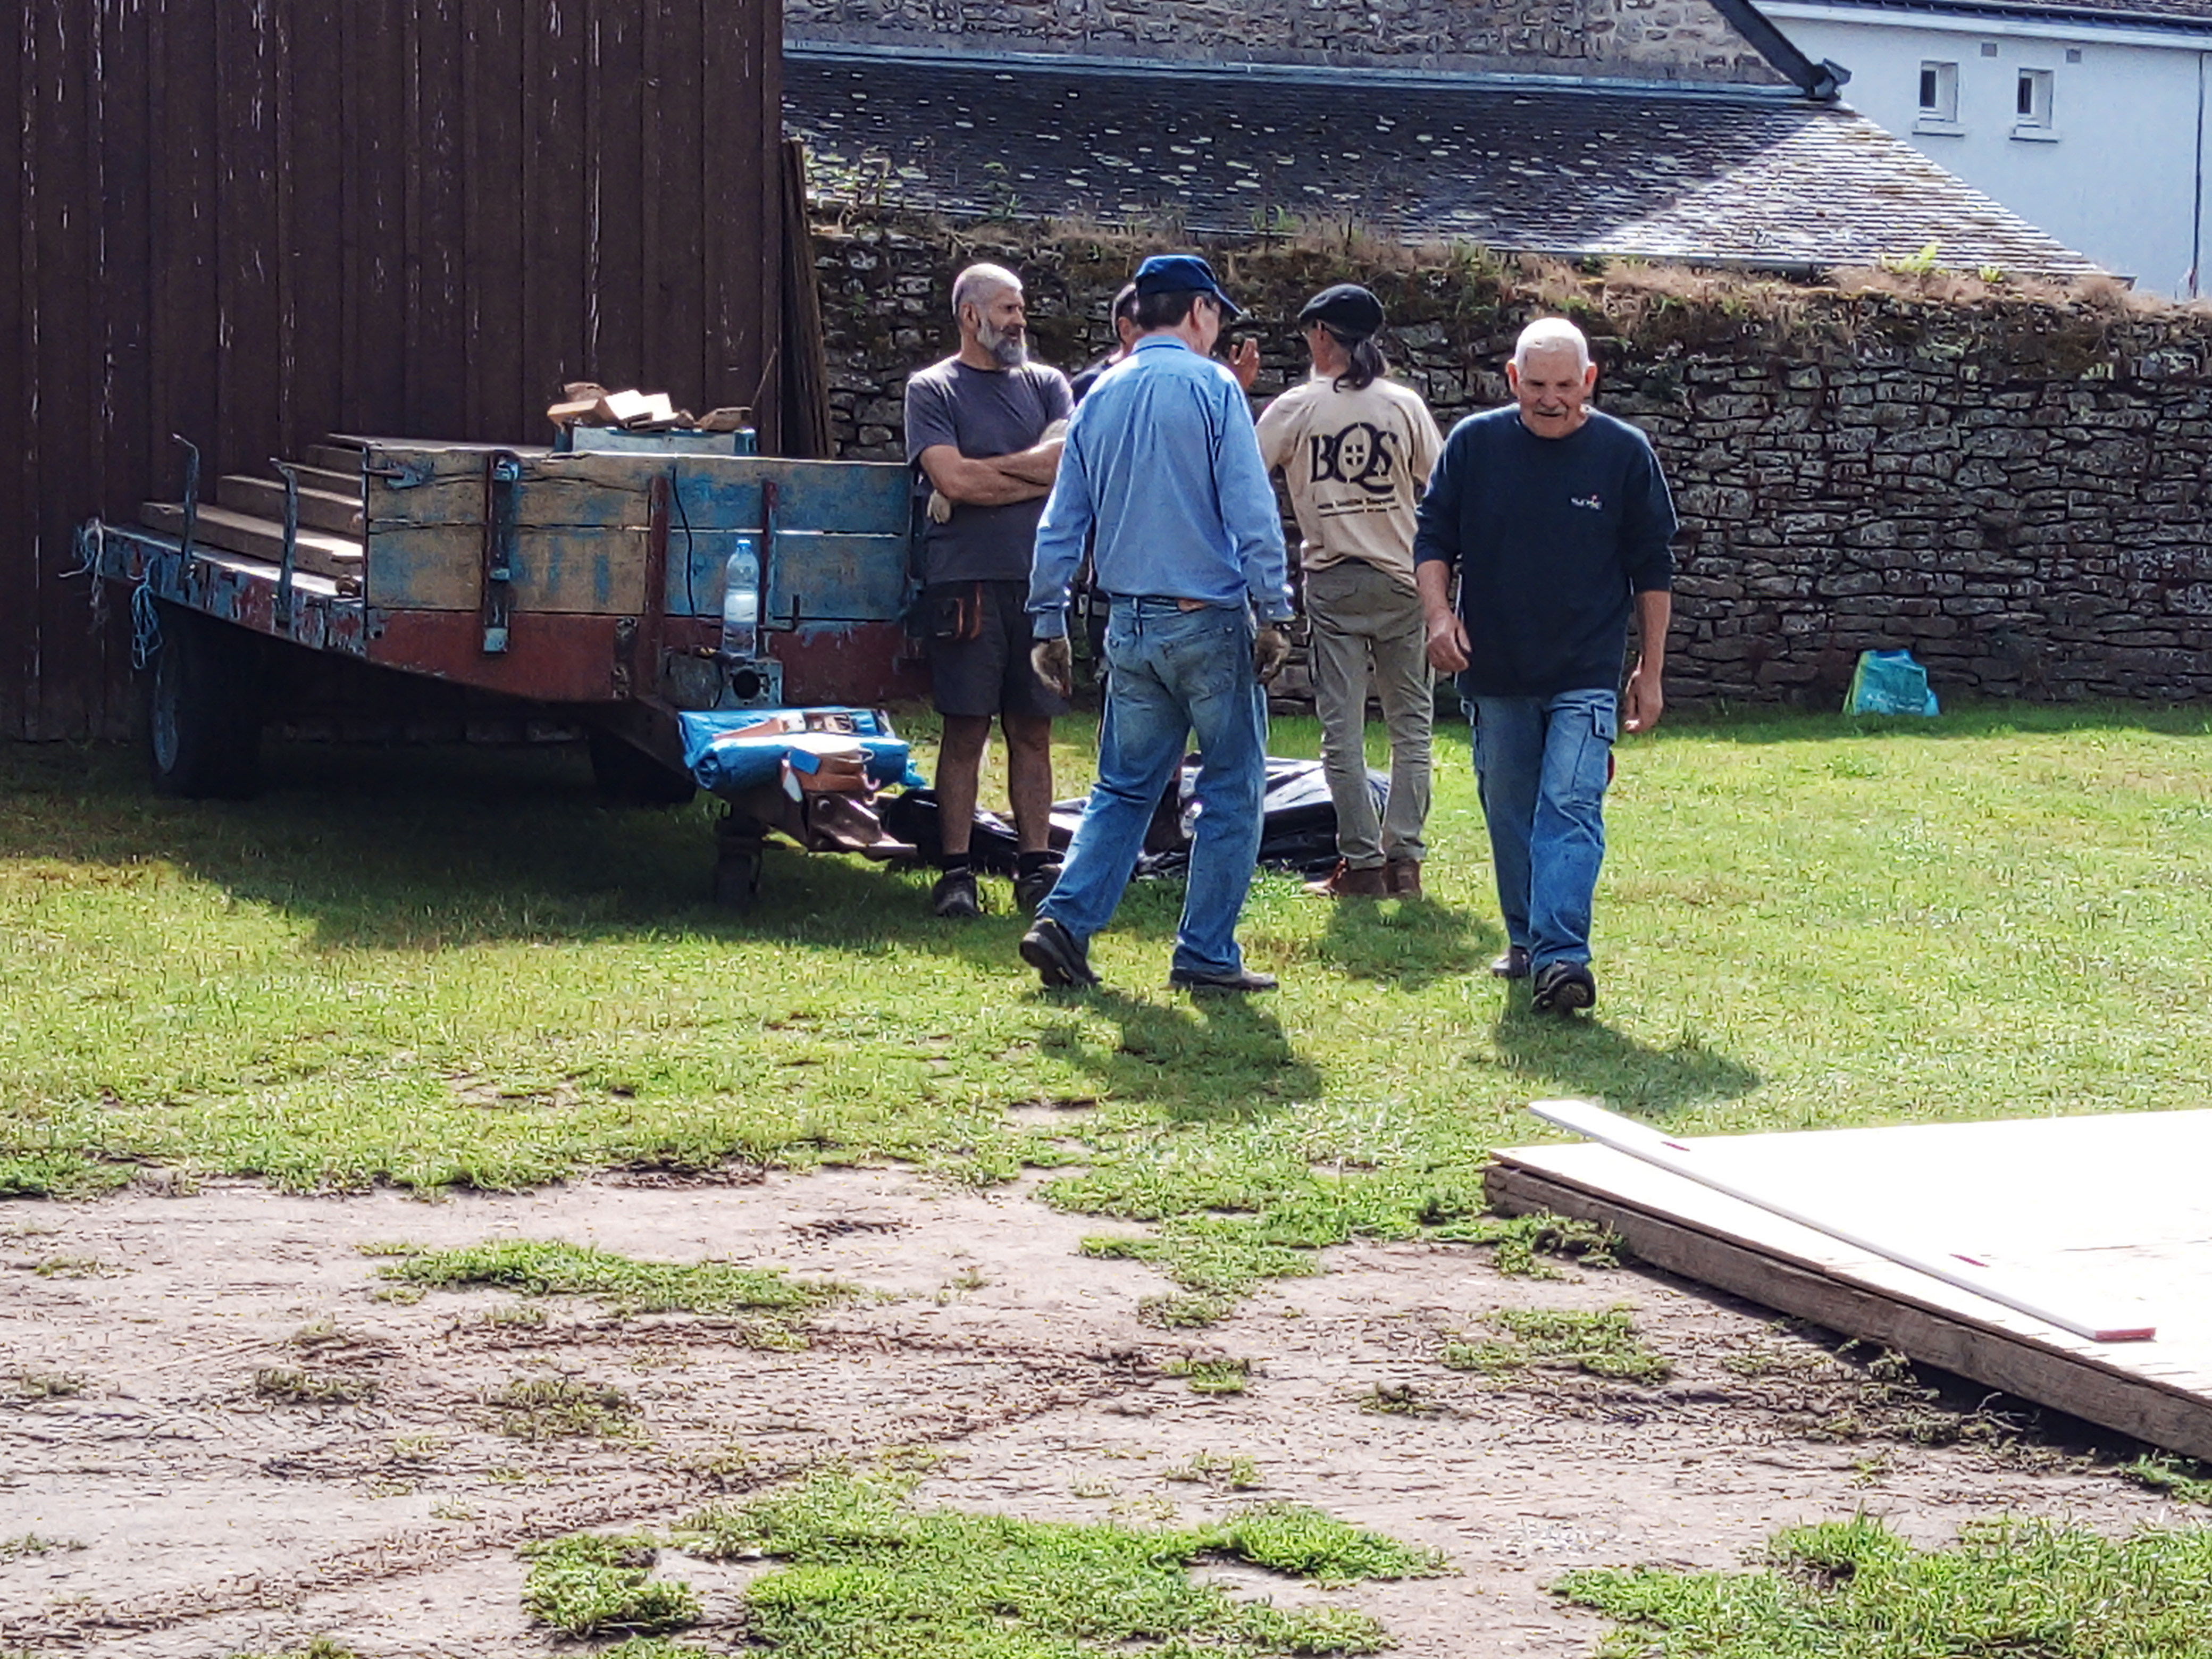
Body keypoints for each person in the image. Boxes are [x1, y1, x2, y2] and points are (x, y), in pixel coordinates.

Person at [1020, 254, 1294, 994]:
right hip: (1205, 620)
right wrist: (1275, 609)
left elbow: (1061, 523)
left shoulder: (1099, 395)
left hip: (1127, 625)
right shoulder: (1213, 388)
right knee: (1234, 789)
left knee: (1122, 789)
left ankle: (1066, 922)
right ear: (1201, 312)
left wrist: (1048, 620)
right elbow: (1250, 510)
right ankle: (1205, 951)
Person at [1413, 316, 1676, 1013]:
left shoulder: (1624, 454)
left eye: (1565, 385)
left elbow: (1654, 569)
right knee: (1508, 809)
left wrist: (1649, 669)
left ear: (1589, 381)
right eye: (1536, 386)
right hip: (1495, 668)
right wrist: (1440, 617)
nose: (1550, 399)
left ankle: (1563, 958)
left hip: (1585, 669)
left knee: (1568, 803)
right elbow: (1433, 538)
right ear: (1512, 381)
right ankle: (1527, 940)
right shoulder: (1475, 446)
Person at [1256, 282, 1444, 900]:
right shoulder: (1402, 405)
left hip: (1333, 579)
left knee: (1341, 729)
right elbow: (1438, 487)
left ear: (1319, 335)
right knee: (1410, 725)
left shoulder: (1295, 407)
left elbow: (1247, 479)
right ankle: (1406, 861)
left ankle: (1361, 863)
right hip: (1402, 578)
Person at [904, 263, 1075, 918]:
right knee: (965, 728)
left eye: (1020, 307)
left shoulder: (1047, 385)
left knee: (1033, 729)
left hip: (1039, 585)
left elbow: (1067, 464)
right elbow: (954, 483)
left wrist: (987, 475)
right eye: (1006, 309)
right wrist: (1022, 476)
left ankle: (1035, 868)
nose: (1019, 320)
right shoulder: (933, 390)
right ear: (971, 316)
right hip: (965, 583)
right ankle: (955, 873)